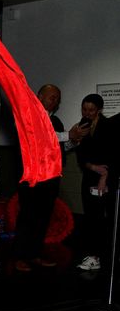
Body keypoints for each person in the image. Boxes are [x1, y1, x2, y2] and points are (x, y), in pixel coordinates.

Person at [12, 84, 90, 272]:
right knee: (28, 217)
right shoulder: (29, 115)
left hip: (51, 178)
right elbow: (41, 138)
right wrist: (67, 135)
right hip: (32, 178)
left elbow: (60, 147)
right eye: (52, 97)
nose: (55, 101)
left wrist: (73, 141)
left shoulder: (55, 121)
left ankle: (35, 255)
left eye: (58, 99)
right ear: (39, 96)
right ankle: (19, 257)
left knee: (42, 218)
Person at [74, 94, 116, 271]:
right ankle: (93, 255)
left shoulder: (109, 126)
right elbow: (80, 155)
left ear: (99, 109)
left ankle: (99, 257)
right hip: (89, 176)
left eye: (91, 110)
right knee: (90, 216)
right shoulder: (82, 125)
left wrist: (104, 176)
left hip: (105, 178)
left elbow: (114, 154)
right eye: (84, 109)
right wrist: (91, 166)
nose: (87, 113)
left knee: (102, 218)